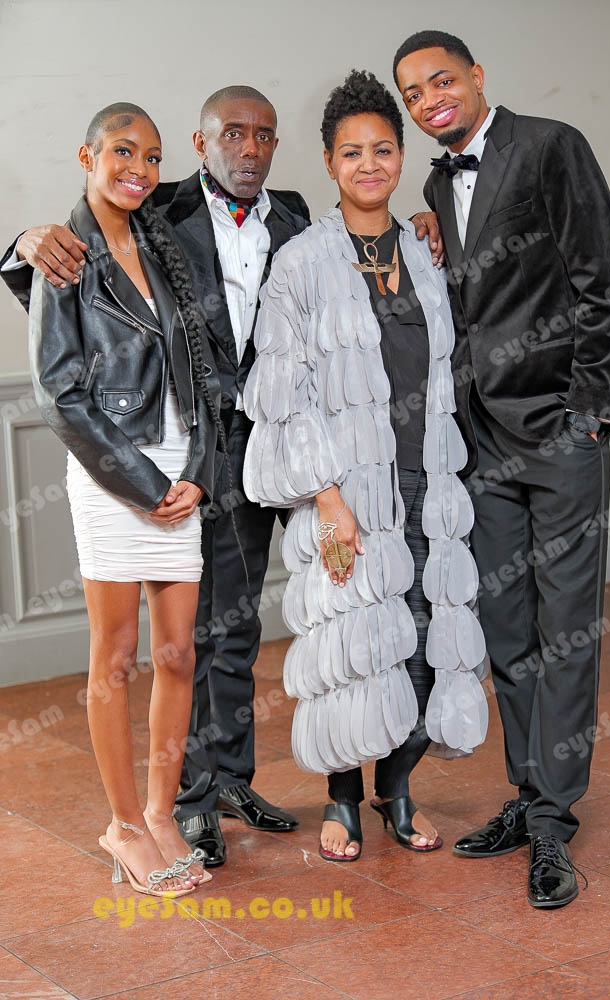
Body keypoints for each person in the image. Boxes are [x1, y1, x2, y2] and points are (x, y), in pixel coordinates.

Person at [2, 86, 444, 867]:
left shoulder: (297, 217)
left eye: (263, 136)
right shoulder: (156, 207)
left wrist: (423, 225)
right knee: (214, 628)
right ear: (202, 143)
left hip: (297, 438)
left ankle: (266, 782)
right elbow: (76, 262)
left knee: (318, 607)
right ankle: (200, 797)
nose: (249, 148)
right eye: (232, 134)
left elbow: (359, 247)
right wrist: (21, 243)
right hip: (207, 446)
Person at [393, 30, 610, 907]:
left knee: (564, 626)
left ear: (475, 76)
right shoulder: (436, 183)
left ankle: (552, 819)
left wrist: (585, 411)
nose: (429, 100)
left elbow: (604, 280)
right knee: (506, 623)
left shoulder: (549, 145)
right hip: (482, 439)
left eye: (441, 81)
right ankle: (529, 788)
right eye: (412, 94)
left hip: (560, 429)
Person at [243, 70, 487, 862]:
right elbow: (284, 393)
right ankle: (343, 800)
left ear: (401, 156)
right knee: (348, 648)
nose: (369, 165)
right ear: (327, 162)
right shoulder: (300, 264)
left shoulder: (425, 252)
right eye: (351, 152)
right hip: (343, 494)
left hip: (426, 481)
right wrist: (327, 498)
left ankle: (397, 789)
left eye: (383, 149)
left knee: (417, 641)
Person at [28, 102, 224, 896]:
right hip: (114, 471)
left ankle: (160, 811)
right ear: (88, 156)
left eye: (151, 156)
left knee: (178, 654)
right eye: (121, 151)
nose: (138, 168)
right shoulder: (63, 257)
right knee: (115, 655)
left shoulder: (161, 243)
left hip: (180, 469)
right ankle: (122, 825)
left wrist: (198, 471)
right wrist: (143, 486)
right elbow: (58, 395)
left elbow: (201, 375)